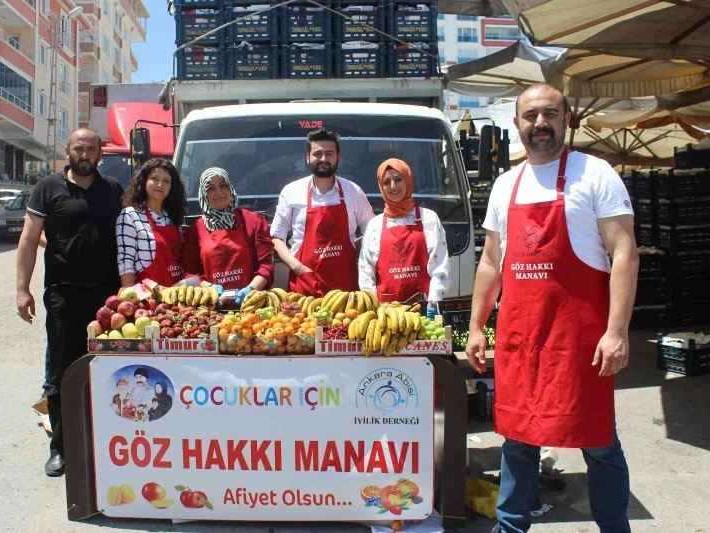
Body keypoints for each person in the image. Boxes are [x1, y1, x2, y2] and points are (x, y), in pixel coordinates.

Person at [464, 84, 638, 533]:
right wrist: (477, 325)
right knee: (517, 441)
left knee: (598, 443)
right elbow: (490, 262)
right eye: (530, 116)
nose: (540, 123)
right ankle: (510, 527)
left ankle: (615, 529)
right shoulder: (506, 184)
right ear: (516, 123)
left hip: (579, 342)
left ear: (567, 119)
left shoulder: (594, 174)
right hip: (522, 338)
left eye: (550, 114)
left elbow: (625, 254)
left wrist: (616, 332)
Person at [16, 127, 123, 477]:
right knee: (63, 371)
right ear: (68, 151)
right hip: (63, 293)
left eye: (92, 149)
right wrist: (22, 289)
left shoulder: (113, 190)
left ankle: (102, 444)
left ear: (100, 154)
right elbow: (30, 239)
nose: (85, 155)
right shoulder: (48, 187)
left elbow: (129, 240)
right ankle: (60, 447)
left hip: (108, 299)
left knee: (106, 372)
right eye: (79, 148)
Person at [271, 128, 374, 296]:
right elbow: (276, 237)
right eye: (317, 153)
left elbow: (373, 232)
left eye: (329, 153)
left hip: (345, 290)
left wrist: (351, 245)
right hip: (303, 286)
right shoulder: (291, 192)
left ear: (338, 157)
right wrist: (298, 268)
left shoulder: (353, 191)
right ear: (307, 157)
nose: (323, 159)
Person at [358, 158, 450, 307]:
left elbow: (440, 267)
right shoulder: (374, 225)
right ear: (381, 187)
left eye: (398, 179)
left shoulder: (429, 218)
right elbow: (366, 271)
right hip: (385, 313)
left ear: (408, 180)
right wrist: (374, 307)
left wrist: (433, 305)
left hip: (424, 308)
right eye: (386, 182)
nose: (393, 186)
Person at [182, 167, 274, 305]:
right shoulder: (195, 229)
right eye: (211, 188)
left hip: (251, 305)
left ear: (231, 188)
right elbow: (189, 274)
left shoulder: (253, 221)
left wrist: (251, 290)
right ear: (203, 194)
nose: (219, 192)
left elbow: (266, 265)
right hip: (211, 306)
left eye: (223, 185)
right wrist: (210, 289)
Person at [116, 158, 188, 287]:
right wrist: (130, 298)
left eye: (166, 181)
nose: (160, 185)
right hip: (147, 299)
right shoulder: (130, 215)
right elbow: (126, 260)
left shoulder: (172, 217)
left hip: (177, 295)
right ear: (144, 181)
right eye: (154, 178)